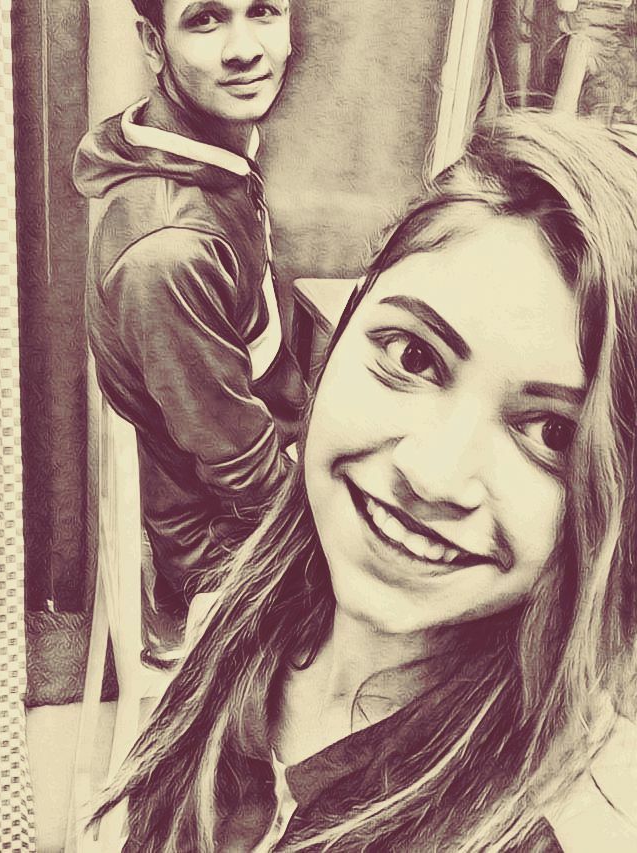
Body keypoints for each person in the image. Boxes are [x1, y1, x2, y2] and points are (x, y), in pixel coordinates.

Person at [94, 111, 637, 851]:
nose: (433, 474)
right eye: (413, 356)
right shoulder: (236, 610)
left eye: (553, 433)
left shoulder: (552, 826)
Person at [73, 0, 307, 618]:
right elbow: (244, 473)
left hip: (264, 471)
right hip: (227, 547)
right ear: (154, 44)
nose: (244, 49)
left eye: (264, 11)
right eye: (205, 19)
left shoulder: (205, 154)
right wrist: (326, 534)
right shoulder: (170, 252)